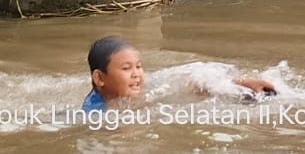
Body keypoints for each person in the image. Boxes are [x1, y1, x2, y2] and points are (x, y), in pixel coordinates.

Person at [81, 36, 274, 113]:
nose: (136, 74)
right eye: (126, 68)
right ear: (99, 78)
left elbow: (193, 83)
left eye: (138, 67)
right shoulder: (95, 113)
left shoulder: (132, 94)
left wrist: (241, 84)